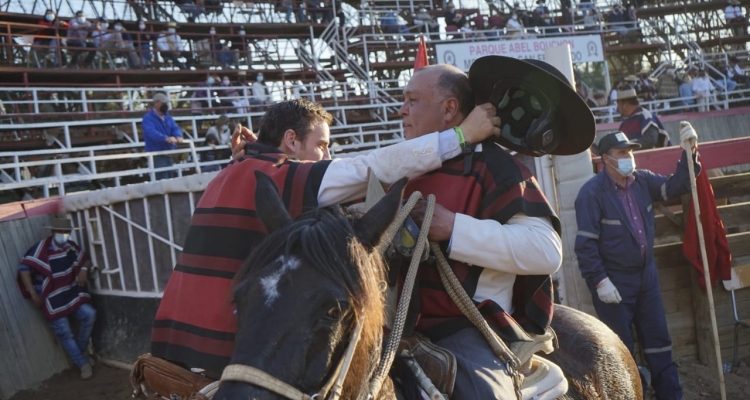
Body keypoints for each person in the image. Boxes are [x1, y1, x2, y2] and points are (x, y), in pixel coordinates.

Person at [151, 97, 501, 376]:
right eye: (322, 145)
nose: (328, 157)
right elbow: (375, 167)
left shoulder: (227, 174)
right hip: (232, 355)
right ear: (290, 140)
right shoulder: (284, 175)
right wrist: (461, 136)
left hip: (173, 344)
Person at [392, 63, 566, 399]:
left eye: (412, 100)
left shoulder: (497, 166)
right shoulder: (406, 164)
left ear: (449, 109)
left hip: (466, 329)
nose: (402, 110)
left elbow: (547, 250)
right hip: (394, 328)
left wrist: (453, 228)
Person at [574, 128, 700, 400]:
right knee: (620, 352)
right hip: (614, 281)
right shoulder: (592, 194)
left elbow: (675, 186)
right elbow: (585, 245)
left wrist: (688, 153)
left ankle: (670, 396)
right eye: (621, 153)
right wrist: (600, 280)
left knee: (659, 343)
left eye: (629, 151)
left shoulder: (641, 181)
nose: (628, 157)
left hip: (646, 277)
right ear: (605, 159)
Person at [17, 217, 96, 380]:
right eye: (62, 232)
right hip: (51, 296)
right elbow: (24, 267)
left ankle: (80, 352)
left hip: (69, 292)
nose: (65, 235)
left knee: (90, 314)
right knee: (64, 332)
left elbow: (85, 259)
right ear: (53, 232)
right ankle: (83, 364)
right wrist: (33, 293)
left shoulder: (71, 247)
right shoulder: (41, 249)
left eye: (67, 232)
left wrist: (83, 270)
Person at [142, 93, 184, 180]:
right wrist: (165, 138)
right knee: (161, 177)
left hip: (169, 152)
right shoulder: (148, 118)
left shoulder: (168, 117)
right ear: (156, 102)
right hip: (156, 152)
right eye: (163, 103)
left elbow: (175, 127)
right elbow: (151, 132)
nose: (165, 105)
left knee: (169, 176)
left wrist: (178, 135)